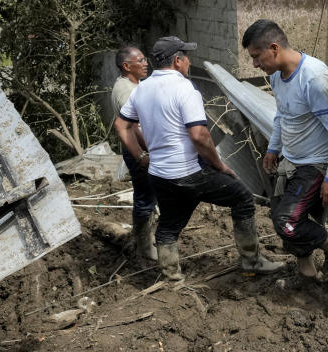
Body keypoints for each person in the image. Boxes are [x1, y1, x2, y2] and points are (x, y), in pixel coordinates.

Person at [115, 36, 282, 280]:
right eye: (187, 57)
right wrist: (219, 165)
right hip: (187, 173)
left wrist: (141, 156)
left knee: (169, 226)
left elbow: (122, 125)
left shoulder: (142, 89)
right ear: (178, 60)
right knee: (243, 198)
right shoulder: (185, 88)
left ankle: (172, 277)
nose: (189, 62)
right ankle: (251, 259)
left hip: (159, 174)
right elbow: (199, 135)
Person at [241, 19, 328, 280]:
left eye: (257, 57)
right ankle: (307, 275)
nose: (255, 64)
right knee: (285, 216)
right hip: (290, 160)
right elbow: (283, 115)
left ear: (274, 48)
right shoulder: (279, 76)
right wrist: (273, 148)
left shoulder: (314, 79)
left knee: (286, 222)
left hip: (315, 164)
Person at [110, 46, 157, 261]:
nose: (145, 63)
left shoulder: (136, 85)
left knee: (150, 194)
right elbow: (134, 126)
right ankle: (144, 246)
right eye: (140, 60)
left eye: (145, 58)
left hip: (143, 147)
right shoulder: (125, 90)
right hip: (138, 149)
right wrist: (146, 152)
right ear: (127, 66)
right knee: (145, 196)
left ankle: (147, 239)